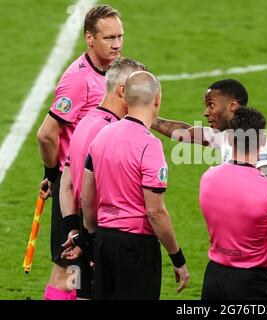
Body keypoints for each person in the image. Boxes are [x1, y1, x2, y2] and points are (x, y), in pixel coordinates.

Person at [152, 79, 267, 291]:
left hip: (256, 260)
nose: (206, 112)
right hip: (232, 255)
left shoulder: (261, 151)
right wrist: (147, 117)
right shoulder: (227, 135)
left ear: (232, 105)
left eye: (211, 105)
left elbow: (259, 205)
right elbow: (187, 132)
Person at [37, 4, 124, 300]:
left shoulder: (116, 71)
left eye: (120, 37)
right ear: (90, 38)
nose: (117, 44)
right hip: (72, 188)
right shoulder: (78, 79)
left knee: (91, 271)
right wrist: (53, 175)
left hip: (101, 185)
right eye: (109, 38)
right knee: (68, 272)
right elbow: (47, 134)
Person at [82, 71, 189, 299]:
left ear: (126, 98)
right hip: (136, 248)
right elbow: (155, 212)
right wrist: (177, 257)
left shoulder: (101, 136)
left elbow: (86, 197)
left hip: (103, 241)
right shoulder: (150, 146)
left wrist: (93, 240)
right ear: (157, 99)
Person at [58, 58, 148, 299]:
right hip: (105, 240)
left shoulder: (86, 122)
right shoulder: (110, 134)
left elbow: (65, 183)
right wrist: (90, 243)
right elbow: (96, 195)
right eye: (139, 90)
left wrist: (72, 231)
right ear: (123, 91)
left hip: (84, 234)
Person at [199, 107, 267, 300]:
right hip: (253, 283)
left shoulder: (208, 178)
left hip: (214, 278)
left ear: (230, 139)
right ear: (263, 141)